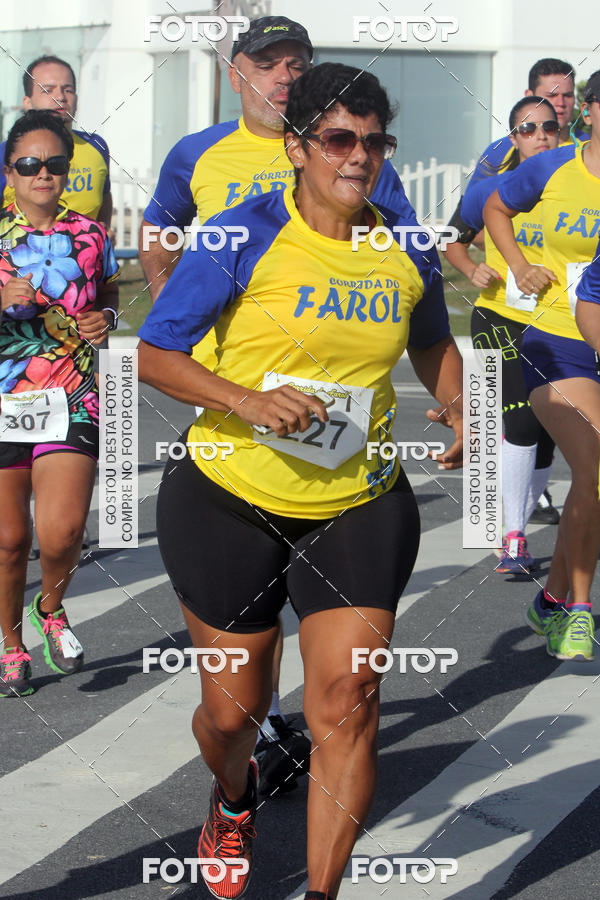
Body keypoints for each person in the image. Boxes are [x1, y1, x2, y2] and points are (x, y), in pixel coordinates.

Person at [137, 62, 463, 900]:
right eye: (339, 139)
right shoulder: (240, 235)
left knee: (350, 698)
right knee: (232, 716)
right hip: (228, 498)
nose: (360, 158)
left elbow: (431, 338)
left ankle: (323, 892)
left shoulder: (403, 242)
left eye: (376, 141)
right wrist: (245, 398)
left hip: (357, 499)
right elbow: (155, 353)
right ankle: (234, 794)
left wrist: (462, 408)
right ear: (298, 146)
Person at [0, 110, 119, 697]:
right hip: (3, 395)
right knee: (8, 540)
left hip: (73, 393)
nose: (42, 174)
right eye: (29, 164)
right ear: (9, 171)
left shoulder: (90, 234)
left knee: (64, 529)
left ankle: (51, 609)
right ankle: (12, 643)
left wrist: (108, 318)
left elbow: (110, 293)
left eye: (54, 164)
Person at [483, 70, 600, 662]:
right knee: (595, 463)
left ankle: (551, 599)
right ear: (590, 110)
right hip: (558, 339)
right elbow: (493, 207)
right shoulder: (554, 167)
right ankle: (578, 610)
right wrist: (518, 265)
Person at [444, 97, 560, 573]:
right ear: (513, 138)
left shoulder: (576, 186)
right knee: (524, 424)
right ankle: (513, 538)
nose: (541, 136)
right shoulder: (492, 188)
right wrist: (472, 268)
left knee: (549, 434)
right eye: (528, 129)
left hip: (559, 323)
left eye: (549, 127)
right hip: (499, 319)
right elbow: (451, 238)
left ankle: (513, 519)